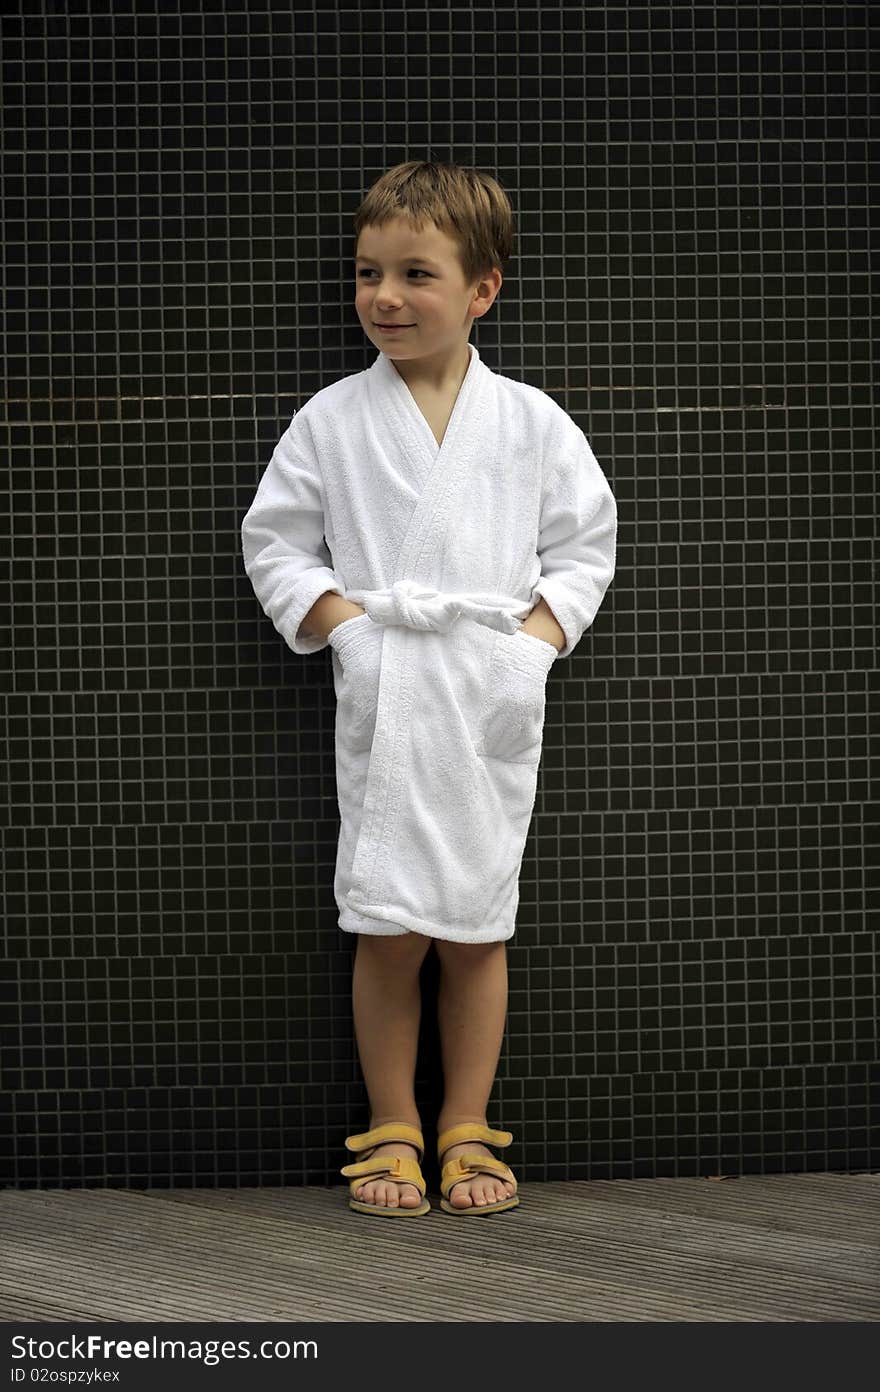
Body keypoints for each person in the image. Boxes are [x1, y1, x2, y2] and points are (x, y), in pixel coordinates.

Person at [241, 160, 617, 1218]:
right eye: (368, 273)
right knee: (387, 922)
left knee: (476, 923)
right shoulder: (330, 419)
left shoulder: (533, 422)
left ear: (482, 289)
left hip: (485, 691)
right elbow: (275, 545)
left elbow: (584, 546)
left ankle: (466, 1123)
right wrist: (350, 633)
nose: (385, 297)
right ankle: (391, 1123)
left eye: (415, 273)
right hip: (392, 688)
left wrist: (530, 647)